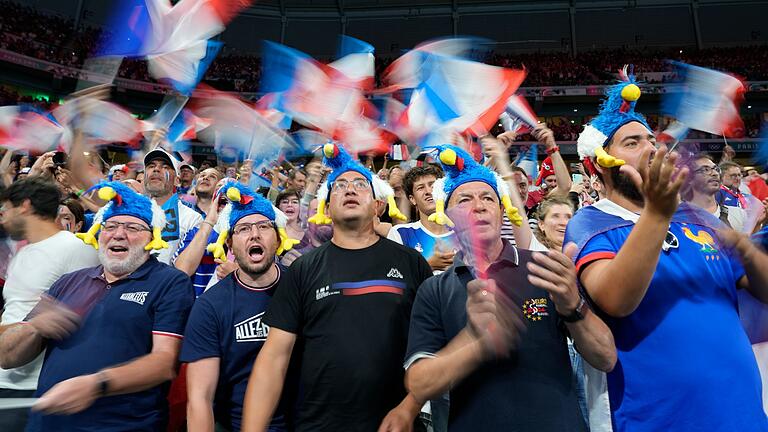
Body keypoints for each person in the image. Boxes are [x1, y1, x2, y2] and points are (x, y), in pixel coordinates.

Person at [566, 67, 768, 431]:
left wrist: (745, 248)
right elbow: (616, 300)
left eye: (650, 139)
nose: (650, 148)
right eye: (631, 143)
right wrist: (658, 213)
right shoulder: (591, 222)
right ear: (600, 164)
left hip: (743, 414)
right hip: (660, 420)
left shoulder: (697, 217)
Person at [404, 144, 616, 431]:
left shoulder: (546, 268)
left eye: (488, 199)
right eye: (464, 200)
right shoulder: (434, 290)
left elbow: (605, 357)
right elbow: (420, 384)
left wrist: (573, 307)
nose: (478, 206)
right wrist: (476, 343)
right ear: (447, 216)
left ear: (502, 211)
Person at [241, 143, 432, 432]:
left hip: (395, 424)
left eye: (360, 184)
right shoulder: (303, 269)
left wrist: (409, 408)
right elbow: (273, 360)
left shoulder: (412, 263)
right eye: (339, 185)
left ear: (378, 205)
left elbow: (431, 348)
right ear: (327, 208)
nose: (350, 189)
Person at [0, 181, 195, 431]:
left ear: (152, 237)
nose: (118, 234)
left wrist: (97, 384)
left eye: (133, 227)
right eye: (110, 226)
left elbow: (164, 363)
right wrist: (35, 327)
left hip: (120, 426)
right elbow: (6, 357)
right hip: (47, 424)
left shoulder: (169, 281)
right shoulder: (69, 281)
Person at [182, 182, 295, 432]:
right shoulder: (210, 306)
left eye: (263, 226)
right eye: (243, 228)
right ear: (230, 244)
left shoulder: (302, 288)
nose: (254, 234)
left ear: (278, 239)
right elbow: (200, 398)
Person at [0, 178, 99, 432]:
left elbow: (85, 318)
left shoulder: (74, 248)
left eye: (5, 210)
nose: (2, 218)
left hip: (35, 387)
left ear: (24, 206)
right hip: (6, 378)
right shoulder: (23, 252)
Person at [388, 165, 458, 273]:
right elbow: (394, 276)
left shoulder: (464, 232)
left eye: (433, 185)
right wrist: (429, 265)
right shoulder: (400, 233)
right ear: (412, 199)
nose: (428, 191)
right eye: (420, 188)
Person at [143, 148, 203, 264]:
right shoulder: (131, 211)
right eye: (151, 166)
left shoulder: (192, 219)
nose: (156, 169)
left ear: (176, 180)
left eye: (165, 167)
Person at [685, 154, 748, 232]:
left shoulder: (740, 215)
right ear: (689, 178)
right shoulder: (678, 218)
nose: (714, 173)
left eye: (716, 169)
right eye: (705, 170)